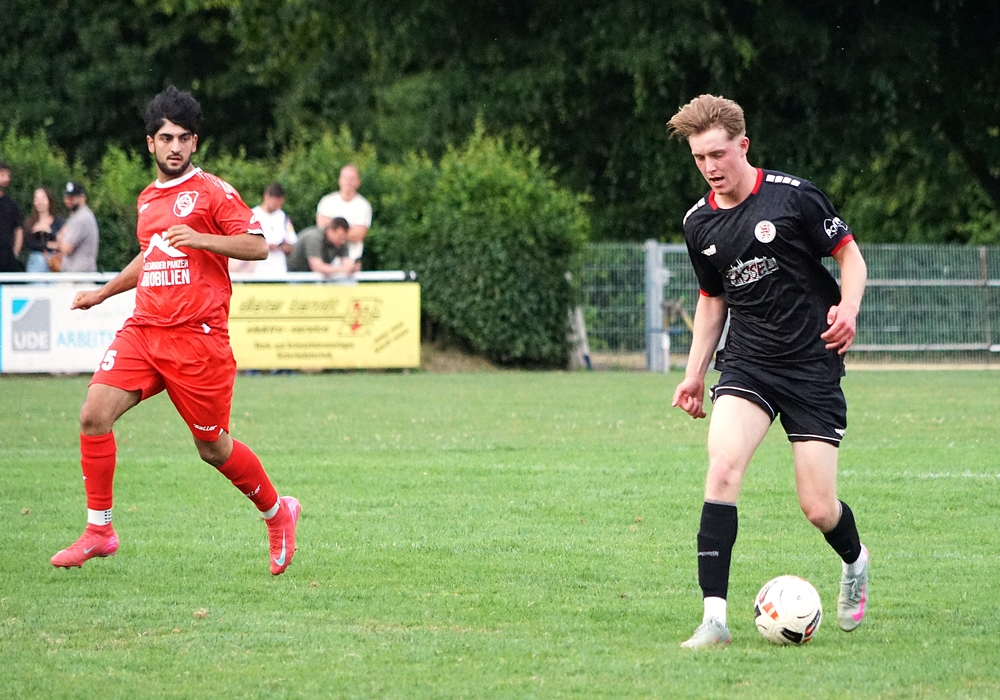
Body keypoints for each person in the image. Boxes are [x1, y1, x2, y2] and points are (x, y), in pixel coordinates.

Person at [49, 85, 300, 576]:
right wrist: (103, 293)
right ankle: (100, 531)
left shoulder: (213, 191)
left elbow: (258, 245)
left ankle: (277, 513)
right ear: (151, 143)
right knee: (93, 414)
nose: (175, 147)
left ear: (195, 142)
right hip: (145, 329)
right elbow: (152, 255)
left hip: (197, 339)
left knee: (213, 448)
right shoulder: (147, 199)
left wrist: (201, 238)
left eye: (184, 138)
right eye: (166, 138)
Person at [666, 94, 870, 649]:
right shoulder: (698, 222)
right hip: (748, 363)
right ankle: (714, 620)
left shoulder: (793, 197)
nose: (710, 166)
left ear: (743, 145)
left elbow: (850, 256)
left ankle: (855, 560)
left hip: (811, 364)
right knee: (722, 469)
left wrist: (848, 308)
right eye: (699, 157)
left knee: (818, 508)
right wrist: (693, 373)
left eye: (718, 153)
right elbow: (712, 300)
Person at [315, 164, 371, 262]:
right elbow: (322, 228)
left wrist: (333, 230)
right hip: (326, 260)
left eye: (352, 179)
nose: (348, 182)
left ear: (358, 182)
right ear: (339, 180)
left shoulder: (363, 206)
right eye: (345, 178)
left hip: (351, 260)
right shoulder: (326, 201)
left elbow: (358, 235)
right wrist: (348, 231)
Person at [248, 182, 297, 276]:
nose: (276, 206)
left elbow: (291, 244)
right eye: (274, 203)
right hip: (257, 271)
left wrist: (281, 247)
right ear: (266, 197)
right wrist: (266, 246)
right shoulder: (253, 215)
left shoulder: (283, 217)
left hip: (279, 271)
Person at [286, 217, 360, 277]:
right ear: (330, 231)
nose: (342, 241)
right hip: (293, 273)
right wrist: (342, 269)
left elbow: (346, 263)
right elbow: (317, 267)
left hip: (311, 275)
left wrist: (352, 268)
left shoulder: (341, 241)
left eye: (344, 238)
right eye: (340, 237)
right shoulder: (314, 238)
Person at [56, 181, 99, 272]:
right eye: (67, 197)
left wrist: (59, 238)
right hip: (75, 274)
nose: (68, 200)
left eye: (72, 197)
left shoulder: (82, 218)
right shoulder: (75, 216)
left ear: (83, 198)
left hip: (80, 275)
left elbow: (66, 248)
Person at [22, 187, 65, 273]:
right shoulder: (30, 222)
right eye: (37, 199)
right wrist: (47, 245)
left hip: (55, 262)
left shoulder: (59, 222)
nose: (40, 202)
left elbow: (64, 241)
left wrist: (49, 231)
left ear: (49, 200)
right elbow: (29, 243)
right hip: (36, 262)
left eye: (43, 198)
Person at [0, 162, 24, 273]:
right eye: (2, 174)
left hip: (7, 262)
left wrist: (15, 253)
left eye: (8, 175)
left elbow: (19, 229)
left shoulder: (11, 204)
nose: (6, 178)